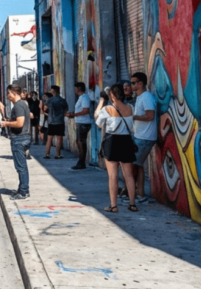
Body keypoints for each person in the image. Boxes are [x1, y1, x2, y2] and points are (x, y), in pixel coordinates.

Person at [95, 84, 139, 213]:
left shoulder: (107, 109)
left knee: (113, 175)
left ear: (112, 95)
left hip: (112, 141)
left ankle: (113, 206)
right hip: (126, 141)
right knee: (129, 175)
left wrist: (101, 102)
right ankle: (132, 204)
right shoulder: (130, 108)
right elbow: (132, 127)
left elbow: (98, 123)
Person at [129, 72, 156, 204]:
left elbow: (150, 116)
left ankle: (137, 195)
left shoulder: (146, 97)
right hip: (139, 136)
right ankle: (139, 194)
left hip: (145, 138)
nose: (131, 85)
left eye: (134, 82)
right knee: (137, 166)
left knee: (134, 166)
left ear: (141, 83)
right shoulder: (139, 97)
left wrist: (134, 117)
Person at [3, 85, 32, 200]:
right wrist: (10, 121)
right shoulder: (21, 105)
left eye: (8, 93)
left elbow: (20, 123)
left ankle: (24, 191)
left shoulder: (19, 106)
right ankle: (22, 189)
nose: (7, 96)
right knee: (21, 166)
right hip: (22, 138)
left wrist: (6, 124)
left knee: (21, 167)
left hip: (19, 139)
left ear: (12, 92)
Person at [65, 83, 93, 169]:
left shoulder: (84, 97)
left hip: (83, 123)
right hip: (81, 123)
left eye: (75, 88)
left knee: (81, 142)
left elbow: (86, 110)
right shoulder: (82, 98)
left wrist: (74, 115)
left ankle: (81, 162)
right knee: (79, 142)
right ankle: (81, 162)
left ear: (78, 89)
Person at [45, 87, 67, 160]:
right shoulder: (62, 100)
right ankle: (57, 154)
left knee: (49, 139)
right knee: (59, 139)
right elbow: (66, 109)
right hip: (60, 121)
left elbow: (44, 108)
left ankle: (47, 154)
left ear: (53, 91)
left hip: (51, 121)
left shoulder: (49, 100)